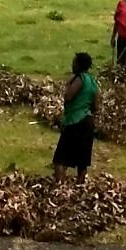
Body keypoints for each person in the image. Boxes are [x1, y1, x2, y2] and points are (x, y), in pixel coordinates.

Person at [52, 51, 99, 184]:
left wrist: (68, 87)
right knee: (82, 161)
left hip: (75, 122)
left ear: (79, 65)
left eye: (74, 62)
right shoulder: (92, 81)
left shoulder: (80, 79)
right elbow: (96, 106)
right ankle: (80, 188)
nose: (72, 65)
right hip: (88, 122)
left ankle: (60, 188)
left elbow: (68, 96)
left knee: (60, 159)